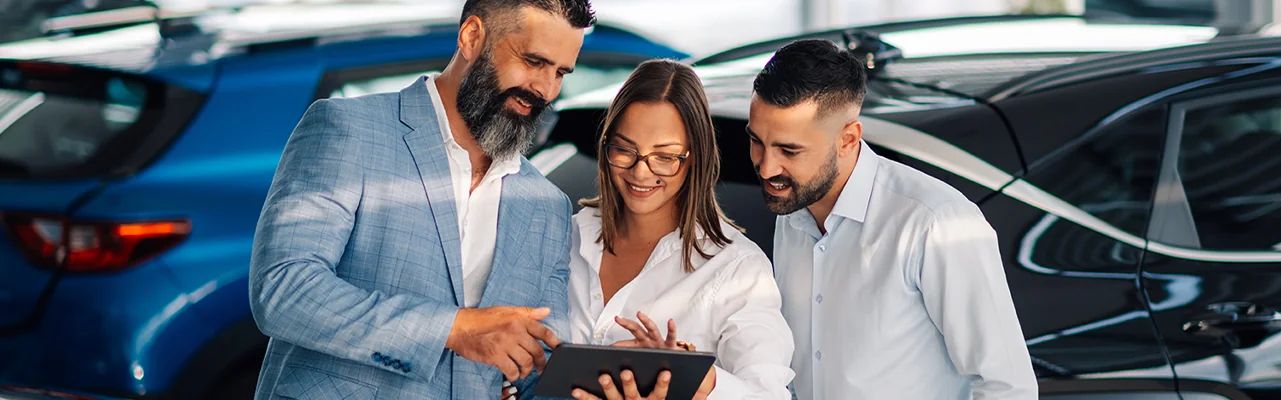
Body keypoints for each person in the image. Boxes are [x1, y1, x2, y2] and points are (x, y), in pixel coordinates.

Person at [247, 0, 594, 398]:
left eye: (561, 73)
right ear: (472, 37)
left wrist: (606, 373)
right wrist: (455, 328)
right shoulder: (348, 129)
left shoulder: (547, 205)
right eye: (533, 61)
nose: (545, 89)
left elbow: (536, 367)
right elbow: (283, 290)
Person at [746, 39, 1039, 399]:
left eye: (789, 150)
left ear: (848, 139)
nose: (766, 166)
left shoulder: (936, 223)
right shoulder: (792, 207)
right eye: (757, 141)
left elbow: (1007, 387)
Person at [565, 59, 795, 400]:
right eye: (625, 150)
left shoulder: (737, 269)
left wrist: (694, 379)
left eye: (665, 156)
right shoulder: (566, 236)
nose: (641, 173)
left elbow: (768, 394)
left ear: (695, 158)